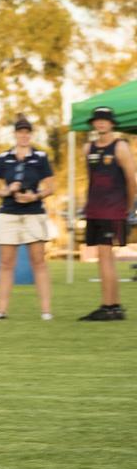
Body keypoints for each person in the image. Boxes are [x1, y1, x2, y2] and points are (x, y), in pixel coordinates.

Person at [0, 114, 54, 321]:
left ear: (31, 135)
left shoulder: (40, 157)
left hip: (33, 212)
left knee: (38, 262)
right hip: (8, 213)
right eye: (20, 132)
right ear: (15, 134)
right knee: (6, 263)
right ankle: (1, 311)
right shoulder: (3, 157)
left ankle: (46, 311)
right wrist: (8, 190)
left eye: (27, 132)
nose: (23, 136)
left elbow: (51, 187)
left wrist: (35, 195)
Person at [79, 106, 135, 321]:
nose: (101, 123)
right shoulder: (88, 148)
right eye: (98, 120)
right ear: (94, 123)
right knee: (104, 259)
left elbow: (132, 181)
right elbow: (91, 179)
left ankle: (109, 306)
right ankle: (114, 307)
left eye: (105, 120)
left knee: (105, 257)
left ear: (112, 123)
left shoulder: (120, 147)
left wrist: (129, 207)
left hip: (114, 210)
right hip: (95, 210)